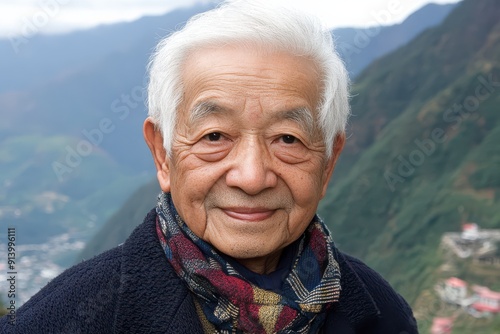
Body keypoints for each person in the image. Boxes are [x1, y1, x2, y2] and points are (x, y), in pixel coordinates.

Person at [1, 1, 418, 333]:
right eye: (215, 136)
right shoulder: (68, 319)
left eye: (287, 139)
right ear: (162, 154)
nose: (252, 177)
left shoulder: (383, 316)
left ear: (328, 163)